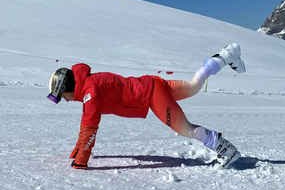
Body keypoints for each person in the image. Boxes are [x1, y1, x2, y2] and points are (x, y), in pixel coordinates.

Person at [47, 43, 246, 170]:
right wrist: (77, 149)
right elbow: (85, 121)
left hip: (152, 95)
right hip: (151, 84)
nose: (64, 99)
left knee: (186, 130)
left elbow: (90, 125)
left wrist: (81, 159)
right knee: (194, 86)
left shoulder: (90, 90)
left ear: (68, 86)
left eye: (62, 95)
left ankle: (227, 151)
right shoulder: (89, 85)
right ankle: (226, 56)